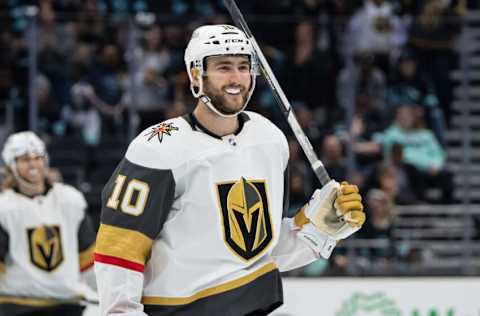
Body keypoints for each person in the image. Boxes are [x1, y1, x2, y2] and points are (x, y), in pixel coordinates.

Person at [94, 25, 366, 316]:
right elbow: (118, 248)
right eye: (223, 67)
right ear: (196, 74)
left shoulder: (269, 139)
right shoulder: (157, 148)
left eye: (242, 66)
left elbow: (263, 250)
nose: (236, 78)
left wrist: (320, 229)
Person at [0, 131, 97, 316]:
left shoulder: (70, 199)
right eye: (24, 159)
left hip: (66, 302)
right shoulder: (3, 208)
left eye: (38, 157)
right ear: (11, 166)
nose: (33, 164)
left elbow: (88, 258)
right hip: (17, 304)